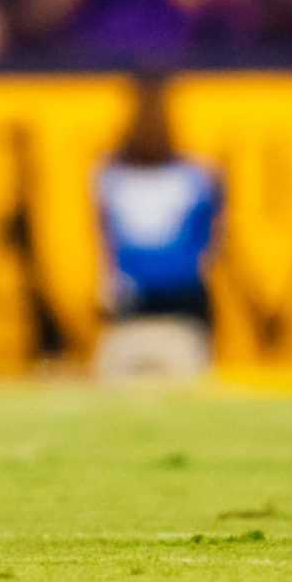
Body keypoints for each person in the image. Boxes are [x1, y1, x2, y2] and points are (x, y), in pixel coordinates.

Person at [92, 76, 222, 381]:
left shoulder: (109, 175)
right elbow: (208, 244)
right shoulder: (196, 176)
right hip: (183, 297)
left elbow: (106, 244)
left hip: (134, 297)